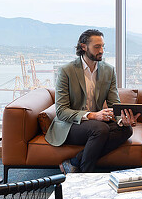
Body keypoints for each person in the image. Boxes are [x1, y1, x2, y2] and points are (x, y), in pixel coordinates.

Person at [44, 29, 136, 173]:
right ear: (84, 47)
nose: (102, 51)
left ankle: (74, 162)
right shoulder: (66, 71)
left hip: (96, 124)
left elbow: (114, 103)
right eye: (97, 47)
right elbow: (61, 111)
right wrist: (93, 115)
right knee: (100, 129)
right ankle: (86, 174)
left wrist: (122, 120)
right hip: (70, 125)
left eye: (103, 46)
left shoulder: (109, 70)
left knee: (126, 130)